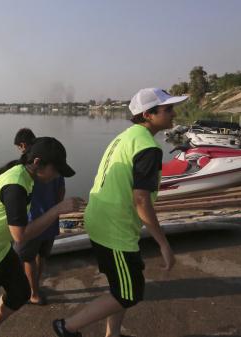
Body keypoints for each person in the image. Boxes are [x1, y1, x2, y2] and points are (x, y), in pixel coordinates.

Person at [52, 88, 185, 337]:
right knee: (129, 293)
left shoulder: (126, 137)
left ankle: (112, 334)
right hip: (114, 227)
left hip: (103, 218)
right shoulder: (147, 147)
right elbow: (141, 199)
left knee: (120, 288)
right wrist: (163, 243)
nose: (173, 113)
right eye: (168, 109)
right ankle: (66, 328)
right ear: (149, 114)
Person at [0, 137, 83, 337]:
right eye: (56, 169)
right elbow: (20, 235)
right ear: (37, 163)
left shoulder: (28, 176)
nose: (57, 174)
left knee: (20, 293)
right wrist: (56, 210)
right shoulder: (16, 184)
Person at [13, 128, 65, 305]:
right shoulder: (52, 162)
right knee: (41, 256)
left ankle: (33, 293)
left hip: (33, 222)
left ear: (23, 145)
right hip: (50, 220)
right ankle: (35, 285)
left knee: (27, 258)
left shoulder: (28, 170)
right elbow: (61, 192)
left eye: (19, 148)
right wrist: (56, 210)